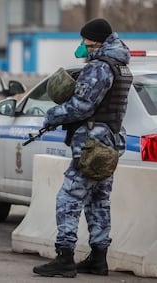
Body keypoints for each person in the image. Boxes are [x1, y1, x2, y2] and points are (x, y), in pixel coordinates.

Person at [33, 18, 133, 277]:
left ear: (96, 41)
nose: (84, 45)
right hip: (108, 142)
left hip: (92, 144)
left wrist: (53, 115)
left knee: (68, 198)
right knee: (99, 200)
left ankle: (64, 258)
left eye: (86, 41)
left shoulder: (100, 67)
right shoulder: (121, 66)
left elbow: (82, 106)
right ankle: (98, 260)